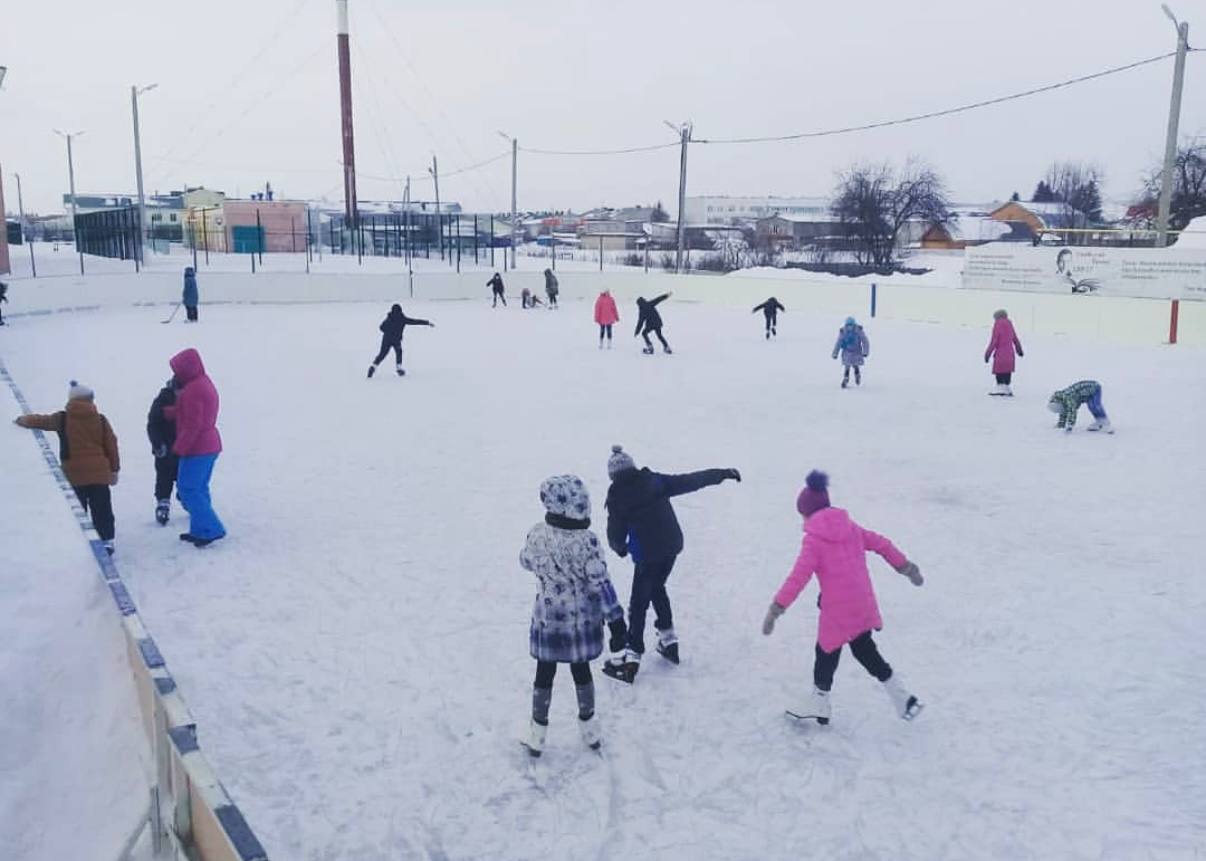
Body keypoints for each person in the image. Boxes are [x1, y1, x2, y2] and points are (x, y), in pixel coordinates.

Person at [762, 471, 924, 724]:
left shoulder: (814, 541)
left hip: (837, 611)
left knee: (826, 650)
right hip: (862, 604)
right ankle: (901, 696)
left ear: (807, 513)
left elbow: (798, 577)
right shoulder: (852, 528)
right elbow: (883, 544)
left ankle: (820, 701)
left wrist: (776, 608)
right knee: (864, 650)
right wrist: (906, 568)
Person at [603, 445, 741, 683]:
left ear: (613, 475)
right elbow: (690, 481)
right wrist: (722, 473)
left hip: (648, 554)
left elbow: (615, 532)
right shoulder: (652, 481)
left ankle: (631, 657)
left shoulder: (617, 495)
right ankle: (669, 641)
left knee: (638, 603)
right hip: (671, 546)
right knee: (656, 588)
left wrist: (620, 548)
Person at [520, 475, 627, 757]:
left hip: (548, 621)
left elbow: (526, 561)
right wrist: (617, 622)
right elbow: (601, 583)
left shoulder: (537, 534)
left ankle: (536, 735)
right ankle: (590, 730)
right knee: (581, 672)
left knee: (544, 673)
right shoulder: (586, 541)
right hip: (579, 624)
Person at [14, 381, 120, 554]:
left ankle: (84, 540)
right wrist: (114, 469)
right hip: (99, 473)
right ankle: (106, 539)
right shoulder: (100, 419)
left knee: (79, 509)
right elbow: (111, 445)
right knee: (102, 508)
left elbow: (42, 421)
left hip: (74, 473)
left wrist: (24, 419)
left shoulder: (62, 418)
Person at [164, 348, 226, 547]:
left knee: (188, 488)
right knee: (199, 487)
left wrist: (179, 448)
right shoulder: (202, 383)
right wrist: (170, 412)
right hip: (210, 444)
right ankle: (200, 529)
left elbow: (193, 425)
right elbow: (196, 413)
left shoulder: (192, 390)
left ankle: (211, 528)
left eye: (177, 370)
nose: (175, 375)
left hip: (198, 447)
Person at [367, 304, 434, 378]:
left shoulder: (389, 318)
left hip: (386, 339)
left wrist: (388, 331)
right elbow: (414, 321)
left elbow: (381, 327)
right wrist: (427, 322)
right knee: (399, 352)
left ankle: (373, 367)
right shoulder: (402, 319)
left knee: (382, 354)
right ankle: (399, 368)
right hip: (396, 339)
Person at [146, 377, 179, 526]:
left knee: (181, 477)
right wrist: (158, 444)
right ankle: (163, 504)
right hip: (166, 447)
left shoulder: (189, 398)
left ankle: (184, 499)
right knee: (164, 478)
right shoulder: (162, 399)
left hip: (182, 447)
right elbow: (153, 423)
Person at [1048, 380, 1112, 433]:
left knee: (1095, 405)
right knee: (1091, 406)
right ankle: (1099, 421)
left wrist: (1070, 425)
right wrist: (1061, 424)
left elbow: (1072, 411)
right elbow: (1064, 412)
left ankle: (1106, 423)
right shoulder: (1062, 401)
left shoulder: (1068, 398)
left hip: (1094, 388)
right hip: (1087, 394)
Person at [984, 309, 1024, 396]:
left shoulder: (997, 324)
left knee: (1000, 374)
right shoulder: (1010, 324)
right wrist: (1019, 350)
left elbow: (994, 341)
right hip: (1010, 355)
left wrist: (987, 354)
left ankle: (1000, 390)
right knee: (1007, 374)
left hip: (1000, 355)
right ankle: (1006, 390)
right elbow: (1015, 339)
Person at [832, 316, 869, 388]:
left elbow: (865, 341)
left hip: (856, 351)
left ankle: (857, 374)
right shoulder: (843, 332)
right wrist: (835, 353)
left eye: (851, 325)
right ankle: (846, 377)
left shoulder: (858, 331)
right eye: (848, 325)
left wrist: (865, 351)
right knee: (847, 365)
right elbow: (838, 343)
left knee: (855, 364)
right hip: (847, 352)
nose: (850, 327)